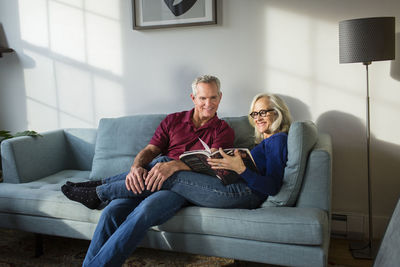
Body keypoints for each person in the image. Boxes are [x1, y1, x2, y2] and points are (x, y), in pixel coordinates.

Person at [62, 75, 235, 267]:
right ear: (193, 98)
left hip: (180, 188)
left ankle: (101, 187)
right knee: (111, 211)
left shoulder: (223, 130)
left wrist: (176, 165)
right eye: (203, 98)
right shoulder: (173, 120)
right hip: (153, 177)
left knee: (145, 210)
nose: (208, 103)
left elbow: (212, 164)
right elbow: (151, 150)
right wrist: (136, 167)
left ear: (220, 97)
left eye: (213, 98)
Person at [64, 93, 292, 212]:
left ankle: (99, 193)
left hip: (245, 196)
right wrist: (233, 165)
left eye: (264, 112)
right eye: (255, 113)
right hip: (234, 186)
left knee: (168, 171)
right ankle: (97, 184)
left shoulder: (279, 140)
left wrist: (241, 168)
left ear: (278, 113)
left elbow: (271, 187)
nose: (259, 117)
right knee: (163, 160)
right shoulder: (265, 142)